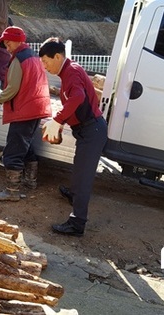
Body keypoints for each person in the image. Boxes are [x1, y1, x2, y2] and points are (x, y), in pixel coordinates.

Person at [39, 37, 108, 237]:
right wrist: (60, 121)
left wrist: (59, 120)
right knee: (79, 168)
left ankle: (77, 223)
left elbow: (78, 97)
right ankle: (73, 194)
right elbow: (73, 101)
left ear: (58, 56)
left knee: (84, 176)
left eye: (45, 61)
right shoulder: (70, 71)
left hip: (92, 131)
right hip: (88, 130)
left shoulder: (71, 73)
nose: (44, 66)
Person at [0, 26, 51, 201]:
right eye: (4, 43)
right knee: (26, 144)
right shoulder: (33, 56)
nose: (6, 46)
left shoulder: (19, 59)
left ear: (16, 40)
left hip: (23, 110)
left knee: (13, 150)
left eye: (7, 42)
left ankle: (12, 192)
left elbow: (12, 88)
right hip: (36, 108)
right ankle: (30, 181)